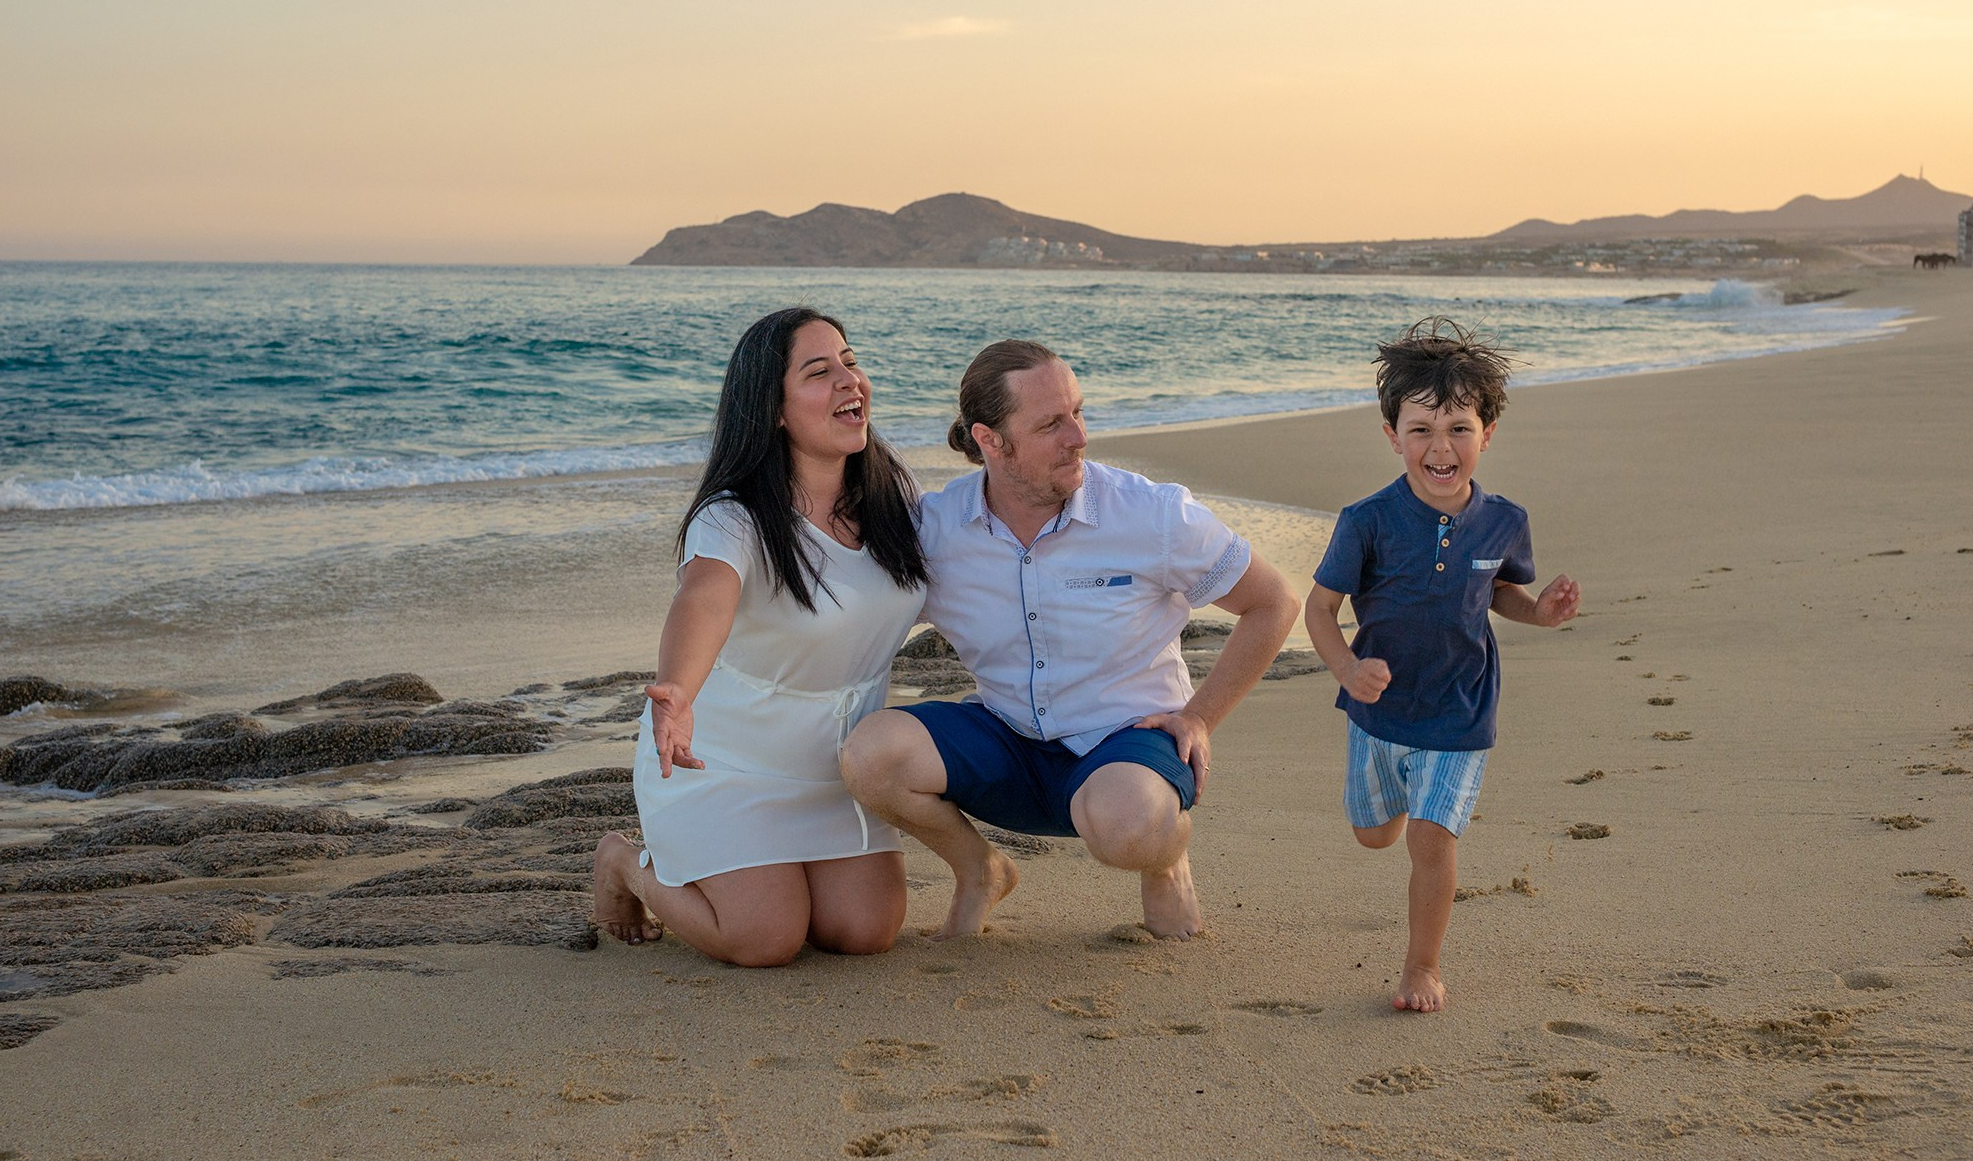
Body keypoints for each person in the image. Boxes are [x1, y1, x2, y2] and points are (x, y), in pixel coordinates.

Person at [840, 340, 1301, 941]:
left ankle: (1166, 861)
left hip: (1129, 747)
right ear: (990, 440)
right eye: (1051, 424)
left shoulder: (1149, 514)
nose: (1078, 436)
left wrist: (1200, 719)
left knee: (1128, 825)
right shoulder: (935, 529)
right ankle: (980, 870)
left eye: (1078, 413)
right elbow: (844, 610)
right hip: (1007, 740)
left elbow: (1273, 603)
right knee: (870, 755)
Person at [591, 307, 927, 966]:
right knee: (764, 936)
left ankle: (776, 869)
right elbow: (704, 599)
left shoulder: (896, 498)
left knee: (866, 929)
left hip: (834, 769)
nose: (847, 380)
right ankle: (624, 862)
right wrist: (679, 691)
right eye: (819, 371)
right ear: (773, 409)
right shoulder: (733, 518)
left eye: (850, 362)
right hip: (727, 761)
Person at [1300, 316, 1581, 1012]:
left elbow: (1502, 593)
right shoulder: (1366, 520)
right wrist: (1346, 670)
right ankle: (1391, 804)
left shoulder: (1503, 520)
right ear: (1393, 435)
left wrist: (1539, 612)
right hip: (1378, 708)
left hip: (1462, 708)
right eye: (1420, 428)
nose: (1440, 445)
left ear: (1487, 432)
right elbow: (1317, 610)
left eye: (1459, 426)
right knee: (1374, 834)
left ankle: (1421, 966)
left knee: (1431, 837)